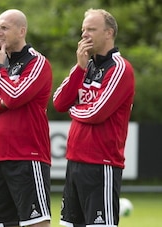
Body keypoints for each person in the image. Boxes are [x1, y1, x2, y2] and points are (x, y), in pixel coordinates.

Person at [53, 8, 135, 227]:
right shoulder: (85, 67)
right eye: (83, 29)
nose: (84, 35)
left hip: (102, 164)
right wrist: (79, 69)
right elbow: (59, 102)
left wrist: (75, 108)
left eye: (91, 29)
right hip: (74, 163)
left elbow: (96, 112)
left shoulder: (120, 68)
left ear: (108, 33)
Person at [0, 9, 53, 227]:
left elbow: (15, 96)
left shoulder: (37, 63)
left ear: (21, 31)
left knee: (36, 222)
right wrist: (1, 103)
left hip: (28, 156)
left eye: (5, 27)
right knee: (5, 223)